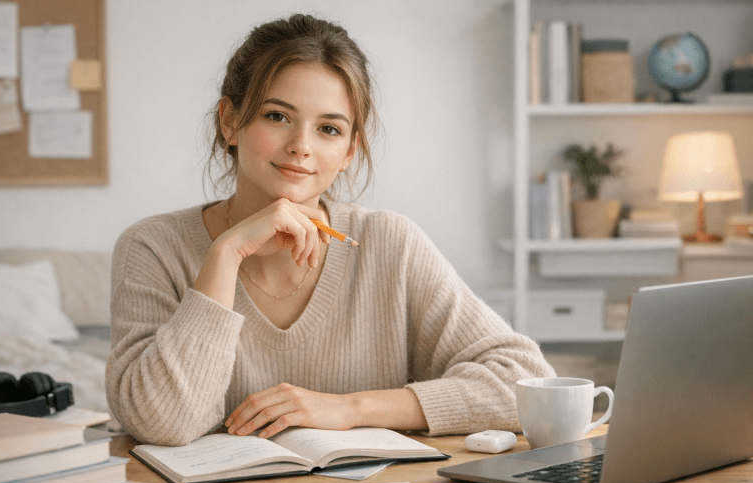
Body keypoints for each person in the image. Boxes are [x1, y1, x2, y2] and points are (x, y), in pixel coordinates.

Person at [106, 13, 555, 447]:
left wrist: (350, 409)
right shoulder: (152, 247)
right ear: (230, 121)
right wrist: (226, 254)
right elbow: (163, 422)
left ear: (349, 151)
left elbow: (527, 383)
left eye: (328, 128)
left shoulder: (389, 244)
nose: (302, 146)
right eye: (277, 116)